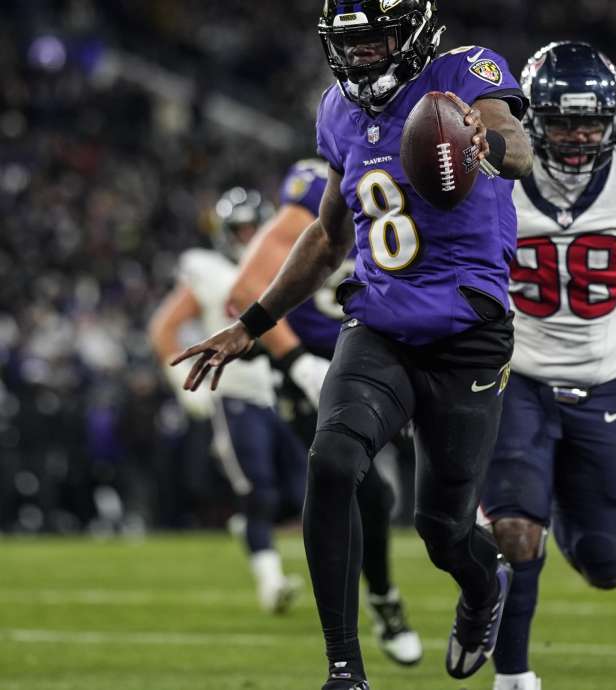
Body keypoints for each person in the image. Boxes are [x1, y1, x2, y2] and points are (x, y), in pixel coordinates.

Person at [171, 1, 533, 687]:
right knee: (333, 459)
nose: (363, 55)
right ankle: (345, 670)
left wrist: (490, 141)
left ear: (414, 32)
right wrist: (250, 324)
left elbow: (517, 141)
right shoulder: (338, 110)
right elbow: (330, 236)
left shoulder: (466, 72)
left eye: (377, 41)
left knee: (443, 531)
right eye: (352, 43)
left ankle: (483, 589)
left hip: (467, 335)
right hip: (381, 323)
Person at [479, 42, 616, 690]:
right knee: (518, 531)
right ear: (531, 118)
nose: (577, 137)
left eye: (590, 123)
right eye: (564, 122)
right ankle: (513, 677)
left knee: (608, 564)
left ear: (615, 120)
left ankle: (544, 515)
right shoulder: (493, 170)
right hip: (515, 381)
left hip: (601, 389)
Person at [226, 158, 422, 666]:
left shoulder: (425, 165)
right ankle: (378, 606)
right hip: (313, 373)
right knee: (366, 493)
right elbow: (244, 292)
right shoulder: (320, 184)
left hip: (382, 356)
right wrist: (297, 362)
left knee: (430, 482)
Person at [148, 187, 306, 615]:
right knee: (258, 489)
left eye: (256, 227)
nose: (249, 235)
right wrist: (182, 382)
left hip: (278, 390)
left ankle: (251, 531)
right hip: (231, 390)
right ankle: (271, 581)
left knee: (304, 491)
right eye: (241, 228)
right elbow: (164, 329)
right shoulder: (208, 268)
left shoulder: (283, 261)